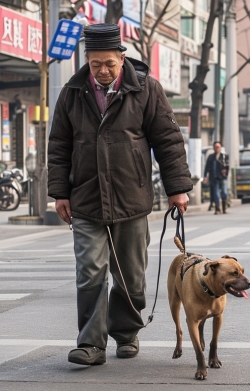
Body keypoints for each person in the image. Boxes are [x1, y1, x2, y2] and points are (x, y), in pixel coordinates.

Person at [47, 23, 192, 367]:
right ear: (87, 60)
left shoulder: (145, 89)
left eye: (109, 63)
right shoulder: (72, 92)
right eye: (96, 64)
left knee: (130, 275)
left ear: (122, 58)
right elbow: (59, 146)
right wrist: (59, 193)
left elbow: (168, 141)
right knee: (90, 272)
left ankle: (126, 333)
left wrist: (178, 188)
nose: (103, 71)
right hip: (86, 199)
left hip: (131, 198)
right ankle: (91, 344)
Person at [204, 142, 229, 215]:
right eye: (216, 147)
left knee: (224, 193)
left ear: (220, 147)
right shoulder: (211, 157)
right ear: (214, 148)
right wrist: (205, 176)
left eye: (218, 147)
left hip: (222, 178)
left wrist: (226, 175)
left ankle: (224, 207)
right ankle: (217, 209)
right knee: (216, 194)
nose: (217, 148)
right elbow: (207, 167)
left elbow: (227, 167)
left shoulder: (224, 156)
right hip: (214, 178)